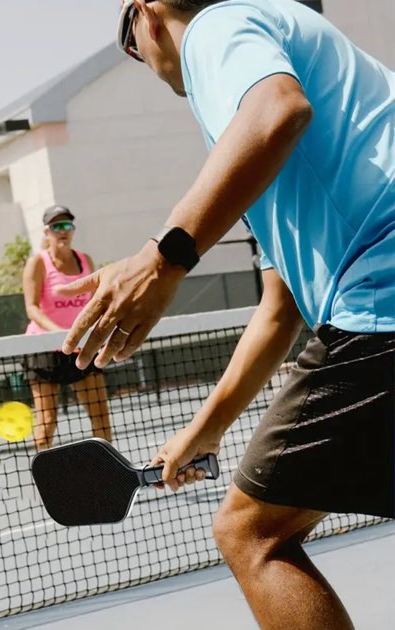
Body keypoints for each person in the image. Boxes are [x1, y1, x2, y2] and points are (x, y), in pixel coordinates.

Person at [56, 1, 395, 628]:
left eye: (128, 42)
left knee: (251, 534)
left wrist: (161, 261)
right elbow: (279, 309)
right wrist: (204, 429)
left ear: (147, 15)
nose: (142, 58)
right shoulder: (262, 143)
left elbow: (277, 112)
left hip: (384, 300)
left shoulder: (218, 26)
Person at [23, 205, 112, 451]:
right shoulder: (37, 263)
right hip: (44, 350)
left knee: (102, 423)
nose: (62, 230)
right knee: (46, 425)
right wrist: (60, 335)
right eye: (56, 226)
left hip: (81, 348)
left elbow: (96, 302)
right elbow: (32, 308)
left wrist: (93, 332)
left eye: (66, 225)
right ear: (46, 232)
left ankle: (107, 476)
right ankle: (44, 480)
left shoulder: (85, 260)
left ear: (72, 230)